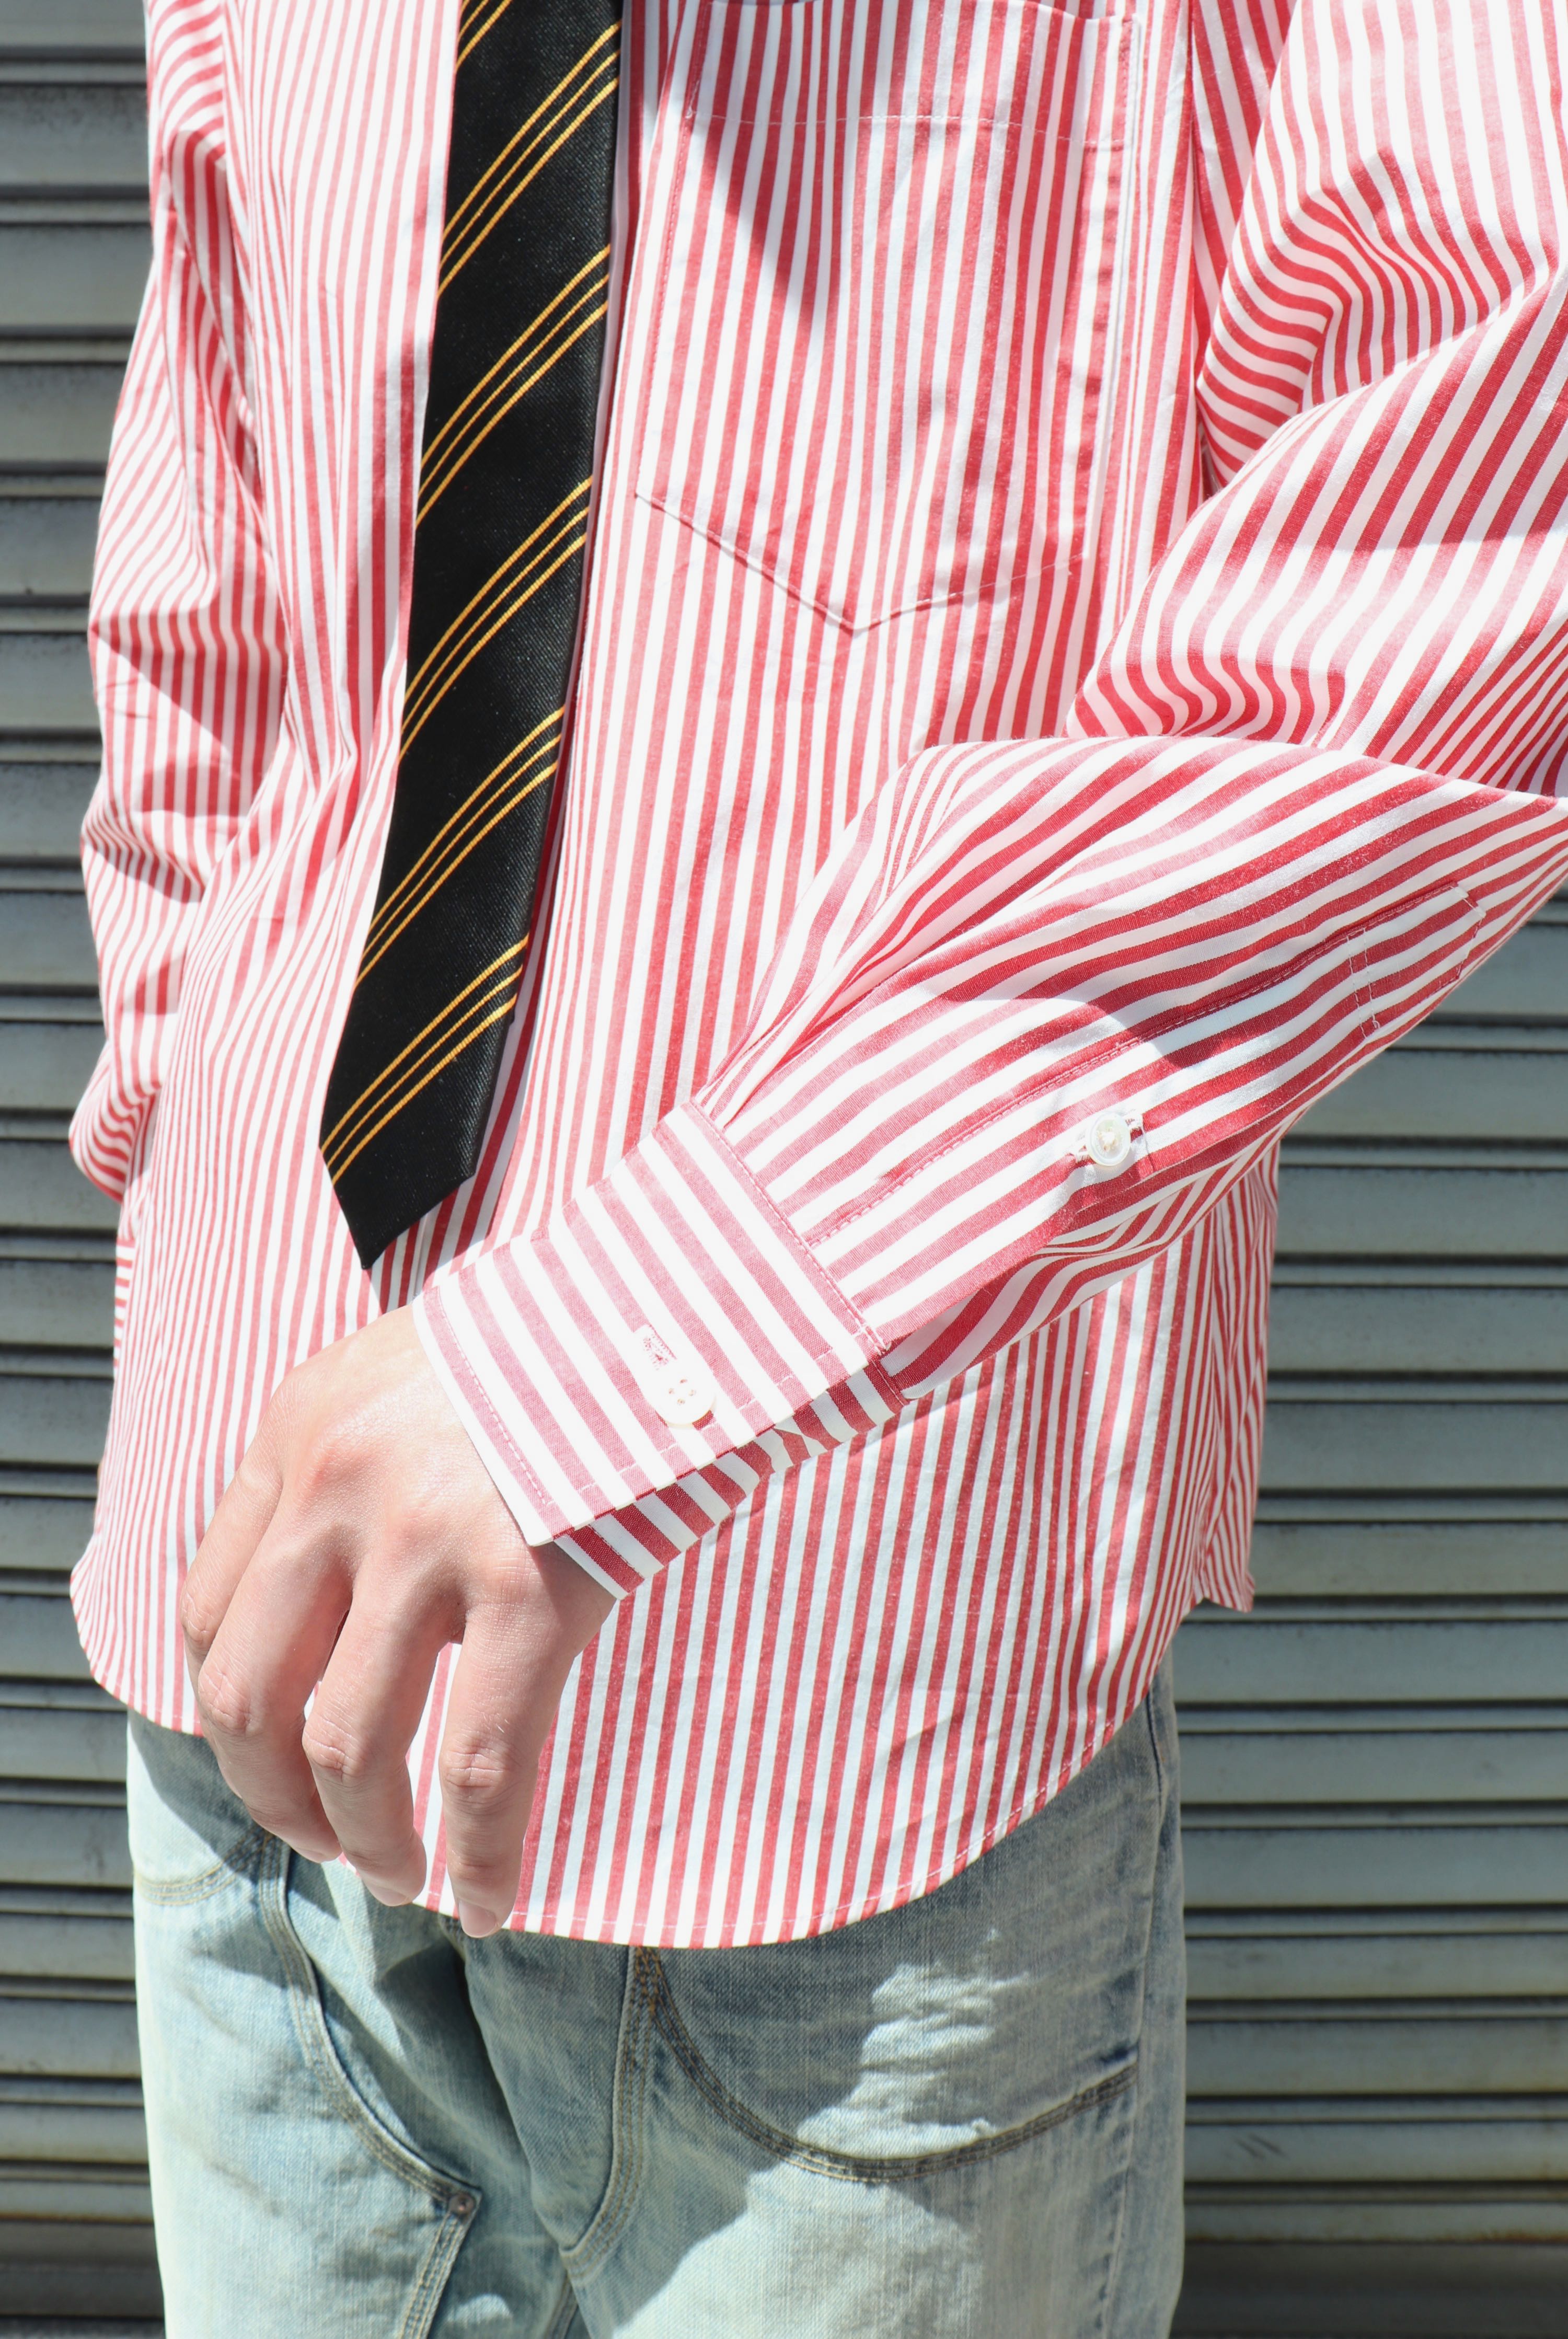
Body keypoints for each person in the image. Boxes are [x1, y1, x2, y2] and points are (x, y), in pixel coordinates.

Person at [74, 1, 1568, 2332]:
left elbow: (1468, 536)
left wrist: (634, 1344)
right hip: (243, 1672)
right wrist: (188, 1151)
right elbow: (217, 525)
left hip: (839, 1734)